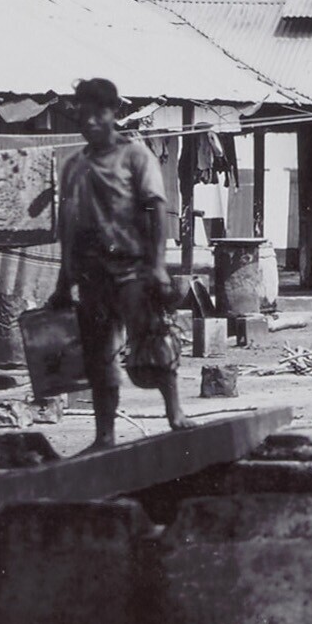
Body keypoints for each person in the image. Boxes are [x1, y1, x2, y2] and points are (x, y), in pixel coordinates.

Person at [46, 78, 192, 450]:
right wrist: (64, 283)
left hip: (133, 270)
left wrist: (158, 266)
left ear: (113, 113)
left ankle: (175, 414)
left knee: (152, 341)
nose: (90, 122)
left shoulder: (135, 157)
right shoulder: (74, 167)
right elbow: (69, 229)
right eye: (84, 115)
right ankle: (105, 435)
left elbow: (156, 209)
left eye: (99, 114)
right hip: (92, 276)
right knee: (98, 356)